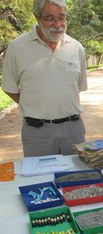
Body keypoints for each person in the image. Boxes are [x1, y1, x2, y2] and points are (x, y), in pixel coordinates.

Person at [1, 0, 87, 157]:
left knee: (78, 178)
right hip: (36, 133)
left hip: (73, 130)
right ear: (37, 17)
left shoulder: (76, 48)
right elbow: (9, 87)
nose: (58, 24)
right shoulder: (17, 47)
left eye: (62, 17)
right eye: (50, 18)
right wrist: (34, 105)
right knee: (41, 180)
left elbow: (77, 87)